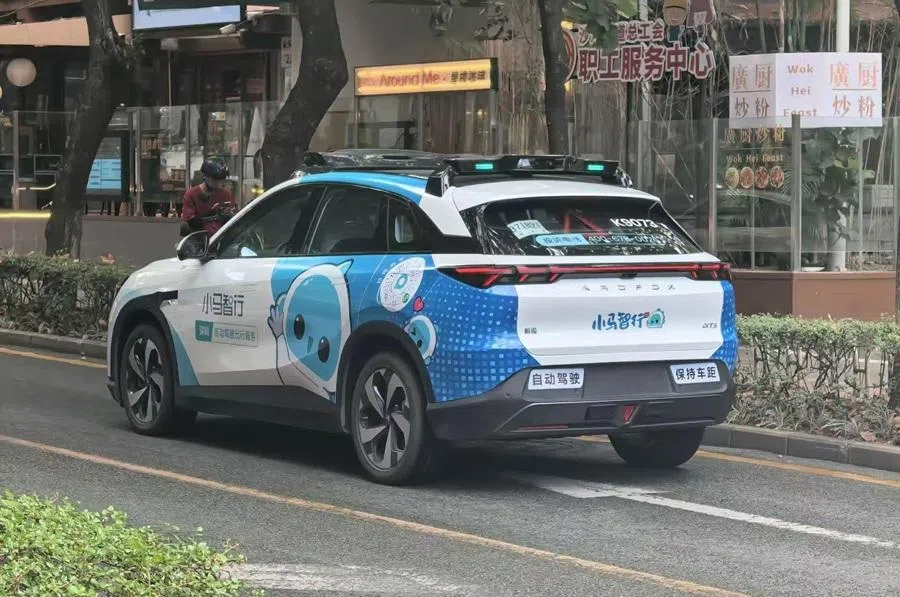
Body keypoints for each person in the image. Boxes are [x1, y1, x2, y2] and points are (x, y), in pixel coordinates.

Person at [180, 159, 237, 237]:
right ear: (205, 177)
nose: (218, 183)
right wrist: (212, 214)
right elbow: (191, 222)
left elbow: (232, 221)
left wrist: (229, 215)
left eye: (220, 180)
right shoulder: (191, 195)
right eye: (214, 180)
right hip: (199, 239)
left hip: (220, 238)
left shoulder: (225, 194)